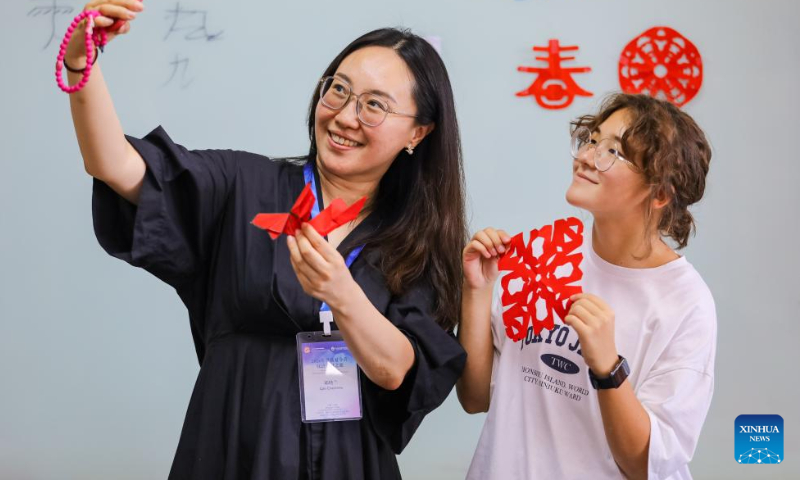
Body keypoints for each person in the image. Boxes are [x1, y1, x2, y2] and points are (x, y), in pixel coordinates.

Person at [64, 2, 467, 478]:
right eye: (338, 90)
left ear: (417, 133)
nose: (345, 116)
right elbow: (115, 165)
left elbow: (396, 369)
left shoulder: (417, 243)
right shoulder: (243, 184)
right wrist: (80, 64)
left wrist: (341, 293)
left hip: (346, 459)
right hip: (232, 441)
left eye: (374, 105)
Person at [457, 93, 716, 479]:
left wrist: (609, 368)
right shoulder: (547, 257)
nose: (585, 157)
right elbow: (476, 397)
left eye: (613, 151)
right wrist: (476, 292)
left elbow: (647, 465)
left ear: (660, 193)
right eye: (592, 141)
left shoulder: (685, 301)